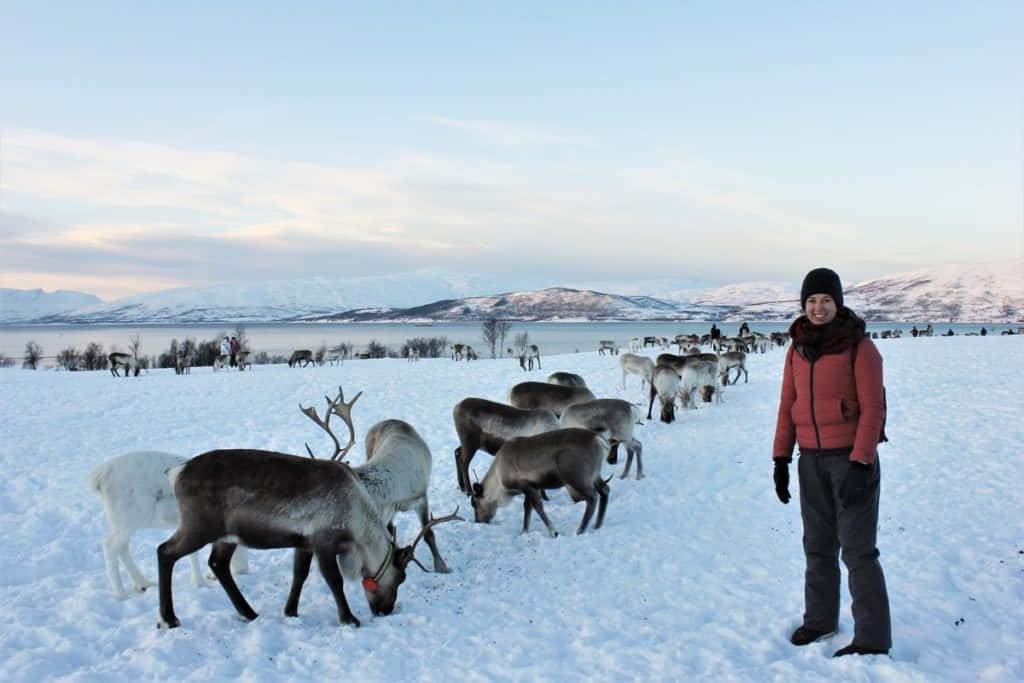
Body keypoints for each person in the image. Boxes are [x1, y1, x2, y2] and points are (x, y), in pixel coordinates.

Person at [772, 267, 891, 658]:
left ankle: (871, 638)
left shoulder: (859, 347)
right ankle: (820, 620)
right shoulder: (797, 349)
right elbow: (787, 407)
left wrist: (861, 463)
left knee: (858, 550)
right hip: (811, 461)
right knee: (817, 547)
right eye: (811, 301)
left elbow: (873, 408)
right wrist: (781, 459)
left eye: (826, 300)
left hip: (850, 460)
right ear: (803, 305)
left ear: (837, 303)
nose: (818, 308)